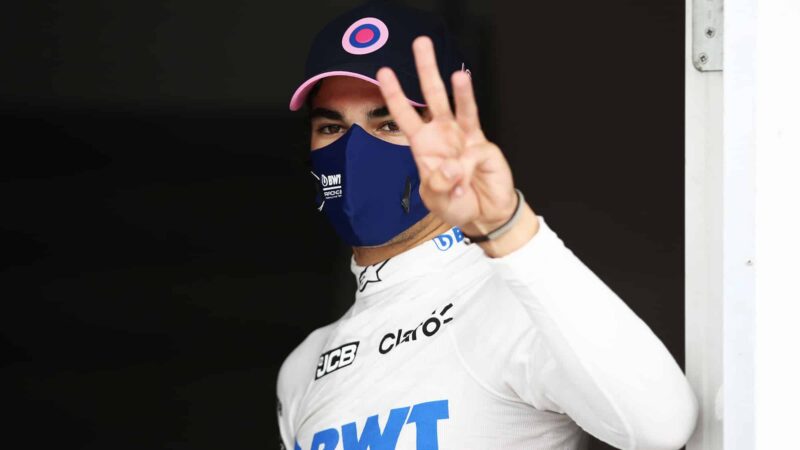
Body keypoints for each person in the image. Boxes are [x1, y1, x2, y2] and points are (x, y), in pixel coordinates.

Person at [276, 2, 698, 449]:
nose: (355, 150)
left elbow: (661, 427)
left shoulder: (511, 304)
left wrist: (508, 228)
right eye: (331, 128)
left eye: (390, 123)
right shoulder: (304, 365)